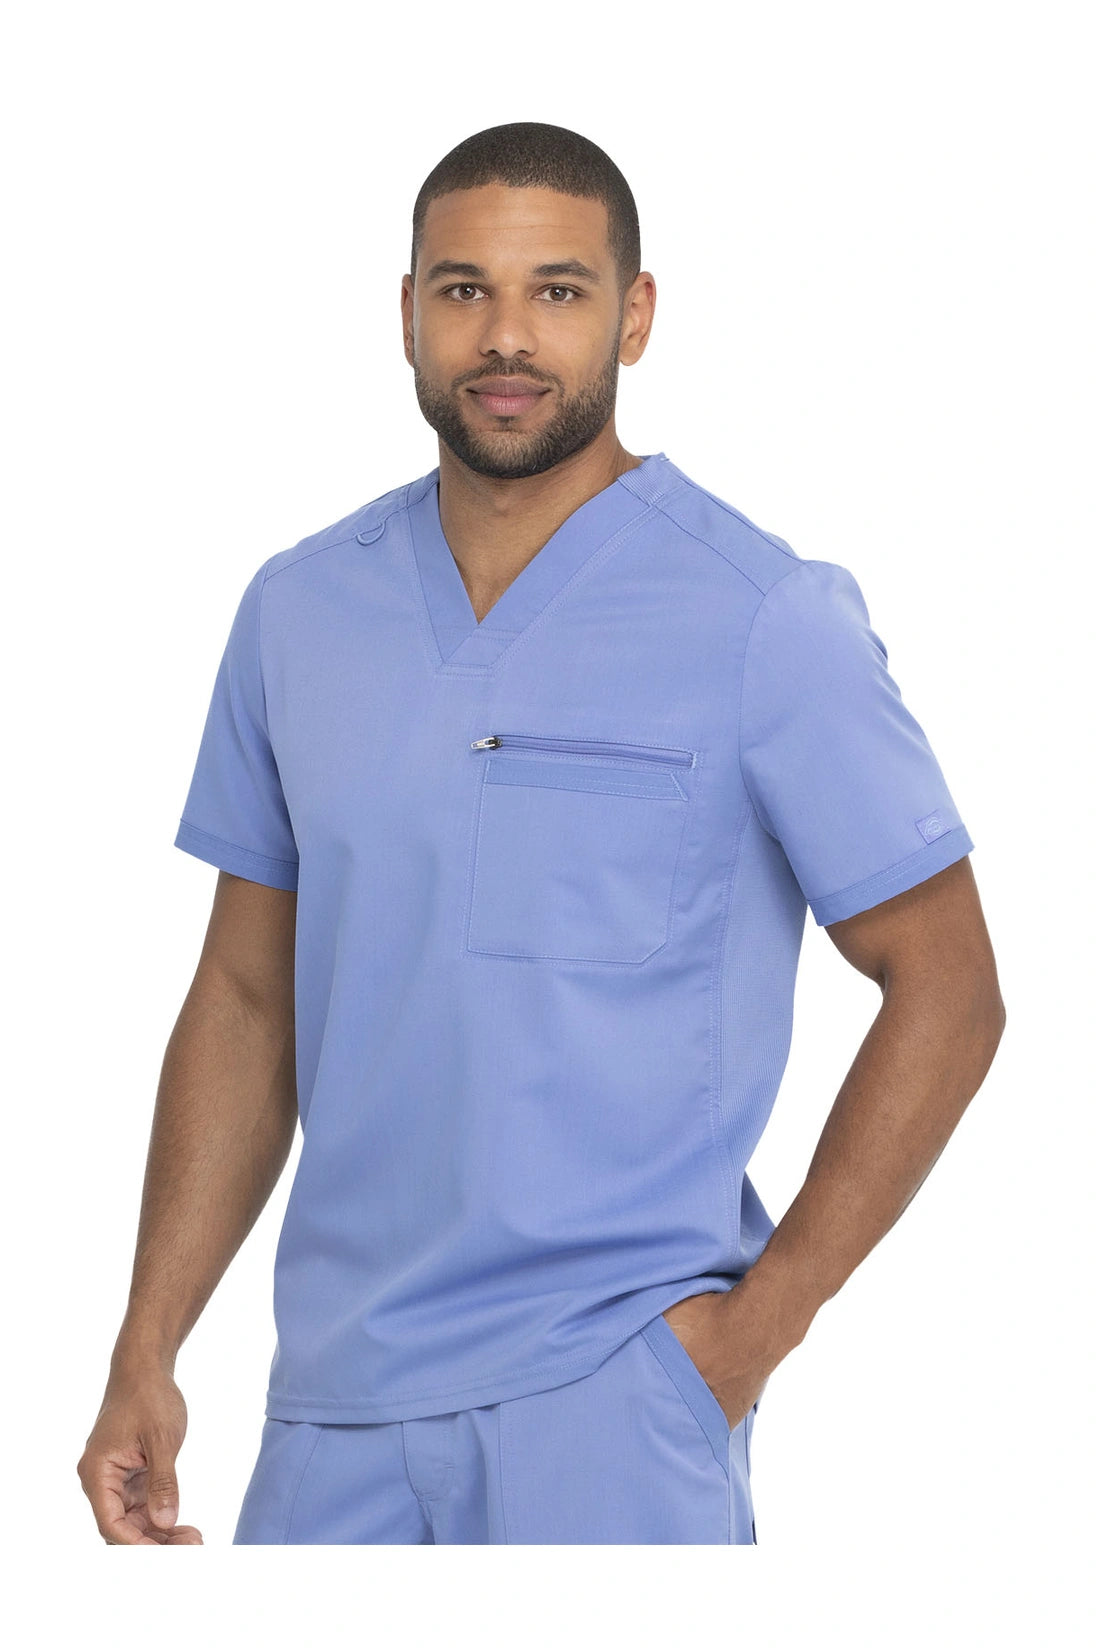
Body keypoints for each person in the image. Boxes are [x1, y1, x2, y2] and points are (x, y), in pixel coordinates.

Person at [77, 121, 1005, 1546]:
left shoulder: (764, 616)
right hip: (331, 1409)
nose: (506, 336)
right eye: (464, 289)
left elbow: (949, 985)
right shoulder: (298, 612)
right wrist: (149, 1343)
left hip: (614, 1403)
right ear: (407, 312)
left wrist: (749, 1339)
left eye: (558, 291)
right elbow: (248, 997)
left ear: (635, 316)